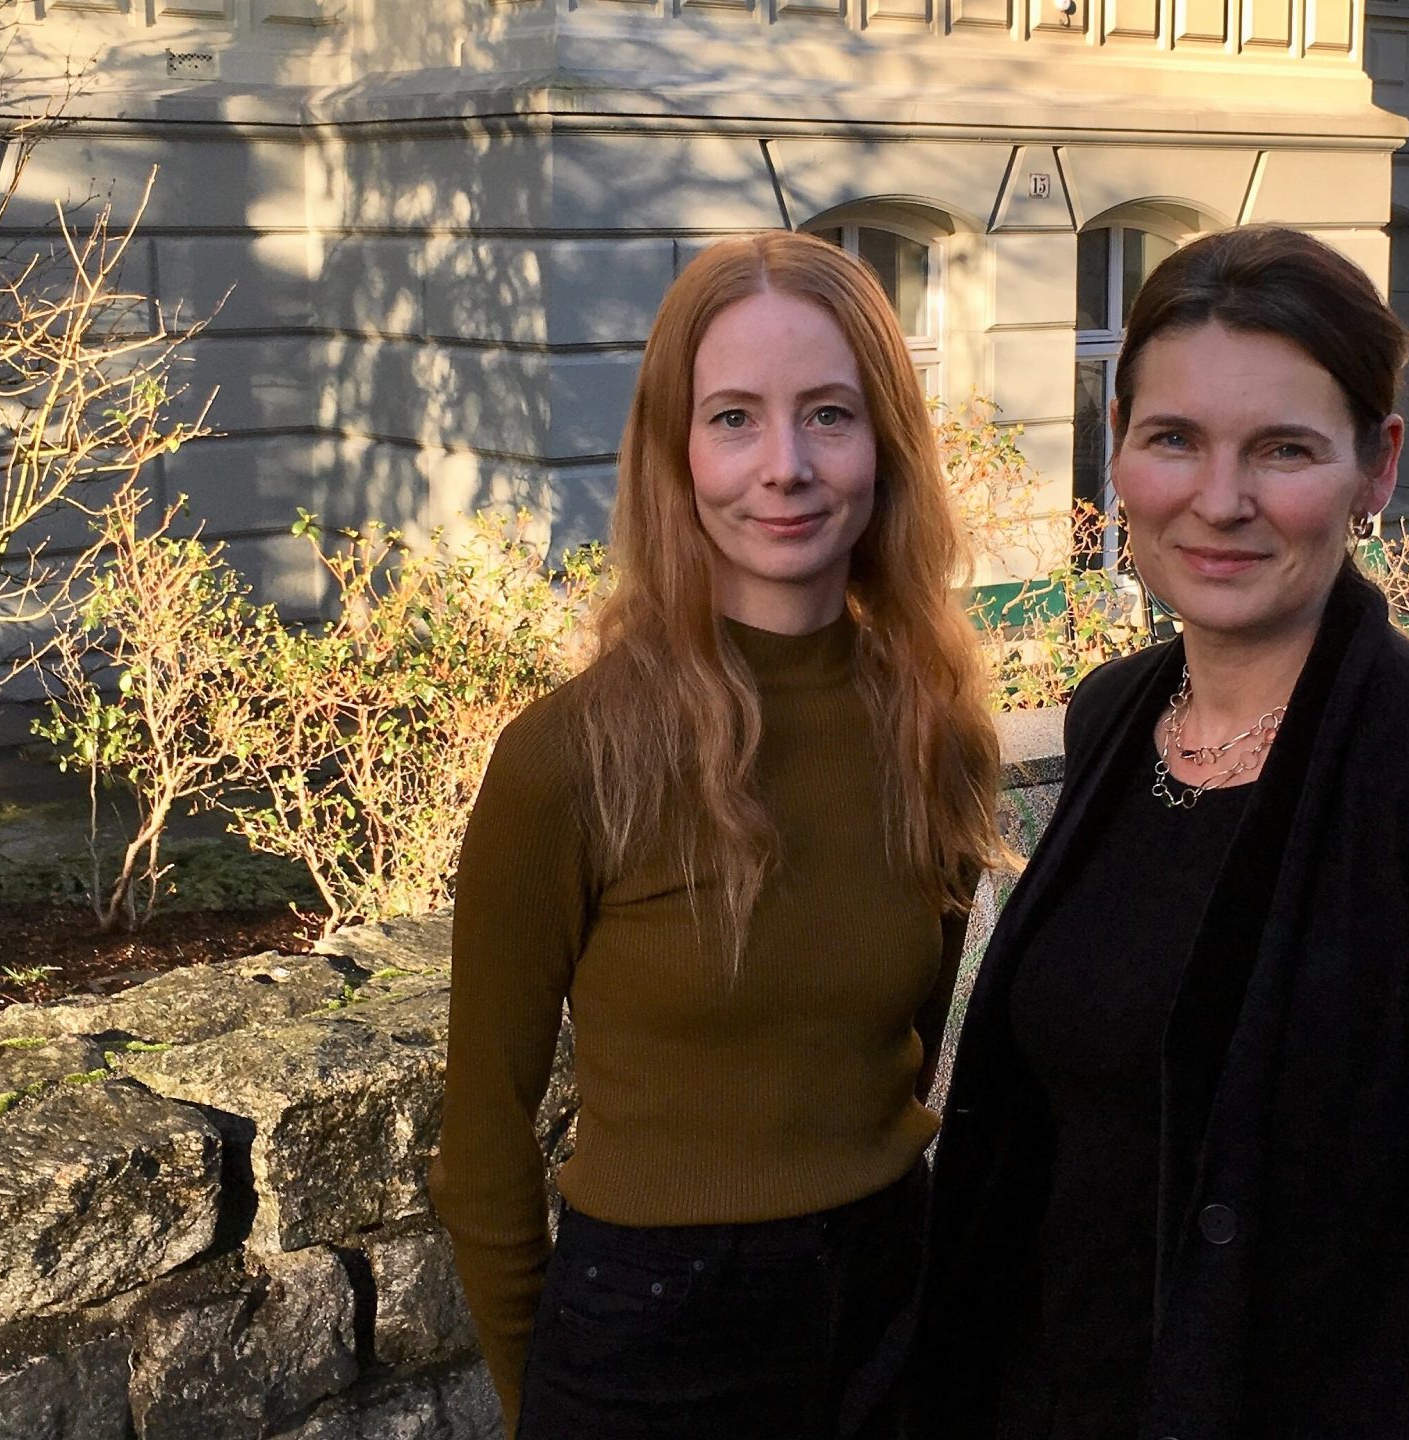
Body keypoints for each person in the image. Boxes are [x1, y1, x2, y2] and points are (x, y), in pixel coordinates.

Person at [908, 226, 1409, 1440]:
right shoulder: (1115, 714)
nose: (1218, 501)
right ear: (1117, 443)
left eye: (1282, 449)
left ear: (1375, 467)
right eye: (1172, 438)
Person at [428, 229, 1006, 1440]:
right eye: (734, 417)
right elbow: (483, 1135)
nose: (784, 466)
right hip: (652, 1333)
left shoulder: (936, 732)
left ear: (885, 443)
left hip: (895, 1302)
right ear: (673, 452)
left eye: (829, 416)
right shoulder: (571, 759)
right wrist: (545, 1403)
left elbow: (899, 1041)